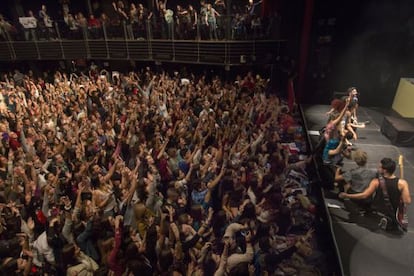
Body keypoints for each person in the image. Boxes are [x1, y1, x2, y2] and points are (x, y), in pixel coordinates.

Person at [339, 157, 411, 231]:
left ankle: (382, 218)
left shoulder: (376, 182)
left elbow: (364, 195)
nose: (378, 168)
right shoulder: (402, 183)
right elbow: (407, 201)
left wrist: (347, 195)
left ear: (385, 170)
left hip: (378, 209)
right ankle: (389, 219)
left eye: (379, 167)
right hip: (393, 210)